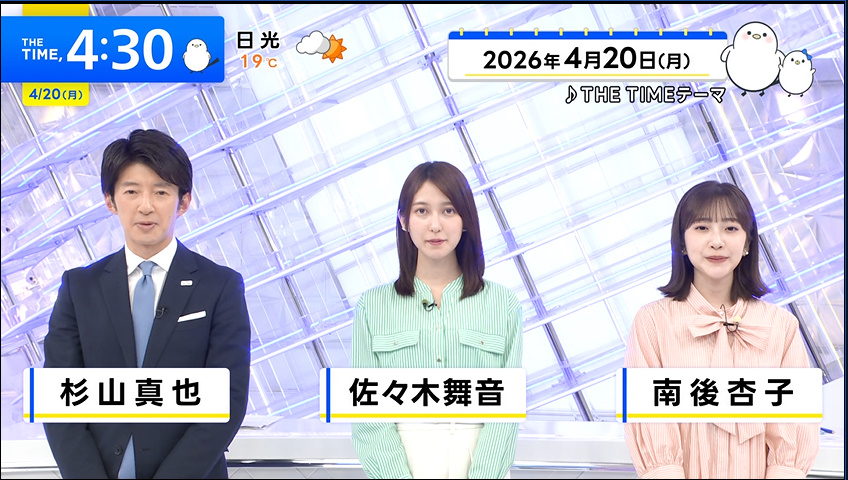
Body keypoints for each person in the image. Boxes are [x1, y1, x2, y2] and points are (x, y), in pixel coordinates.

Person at [43, 129, 251, 479]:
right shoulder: (79, 288)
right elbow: (59, 399)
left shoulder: (220, 286)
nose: (146, 205)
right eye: (131, 191)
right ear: (110, 200)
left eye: (161, 192)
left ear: (183, 202)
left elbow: (227, 400)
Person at [624, 181, 819, 478]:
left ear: (747, 242)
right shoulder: (652, 322)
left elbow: (794, 428)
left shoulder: (781, 326)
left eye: (730, 228)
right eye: (702, 227)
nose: (717, 241)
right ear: (682, 242)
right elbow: (649, 421)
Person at [350, 161, 523, 479]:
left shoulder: (503, 304)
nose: (435, 225)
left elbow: (506, 413)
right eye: (421, 211)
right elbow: (367, 415)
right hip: (403, 461)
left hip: (479, 462)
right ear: (403, 220)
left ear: (465, 219)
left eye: (448, 211)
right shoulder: (372, 307)